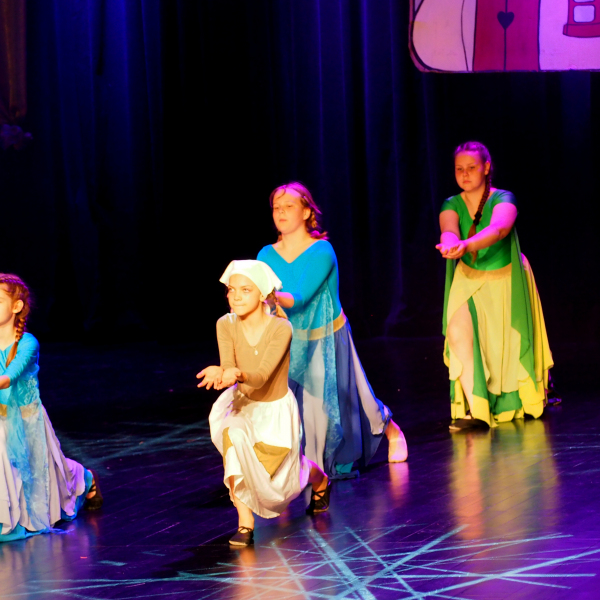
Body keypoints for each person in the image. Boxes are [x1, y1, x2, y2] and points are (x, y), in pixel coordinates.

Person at [257, 183, 407, 479]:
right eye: (276, 208)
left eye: (289, 206)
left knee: (352, 400)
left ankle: (391, 430)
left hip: (326, 336)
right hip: (289, 339)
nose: (281, 212)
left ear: (306, 212)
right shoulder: (266, 255)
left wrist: (268, 295)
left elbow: (300, 297)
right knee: (297, 409)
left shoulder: (321, 250)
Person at [197, 260, 330, 547]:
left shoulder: (281, 328)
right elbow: (230, 367)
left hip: (275, 411)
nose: (235, 297)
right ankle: (245, 524)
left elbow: (261, 376)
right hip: (242, 406)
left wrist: (237, 374)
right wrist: (221, 373)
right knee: (234, 443)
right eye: (231, 290)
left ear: (262, 294)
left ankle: (319, 479)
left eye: (245, 290)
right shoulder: (225, 324)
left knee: (285, 478)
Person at [436, 141, 553, 430]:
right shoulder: (451, 204)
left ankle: (517, 400)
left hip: (505, 279)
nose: (465, 174)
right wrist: (450, 244)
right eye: (459, 169)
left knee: (506, 346)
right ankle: (477, 411)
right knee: (457, 333)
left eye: (471, 167)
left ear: (486, 167)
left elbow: (499, 228)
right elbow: (449, 230)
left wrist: (467, 244)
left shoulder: (503, 198)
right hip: (468, 279)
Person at [0, 274, 102, 543]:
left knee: (44, 479)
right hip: (1, 419)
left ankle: (82, 477)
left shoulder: (27, 343)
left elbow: (10, 375)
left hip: (26, 421)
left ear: (16, 307)